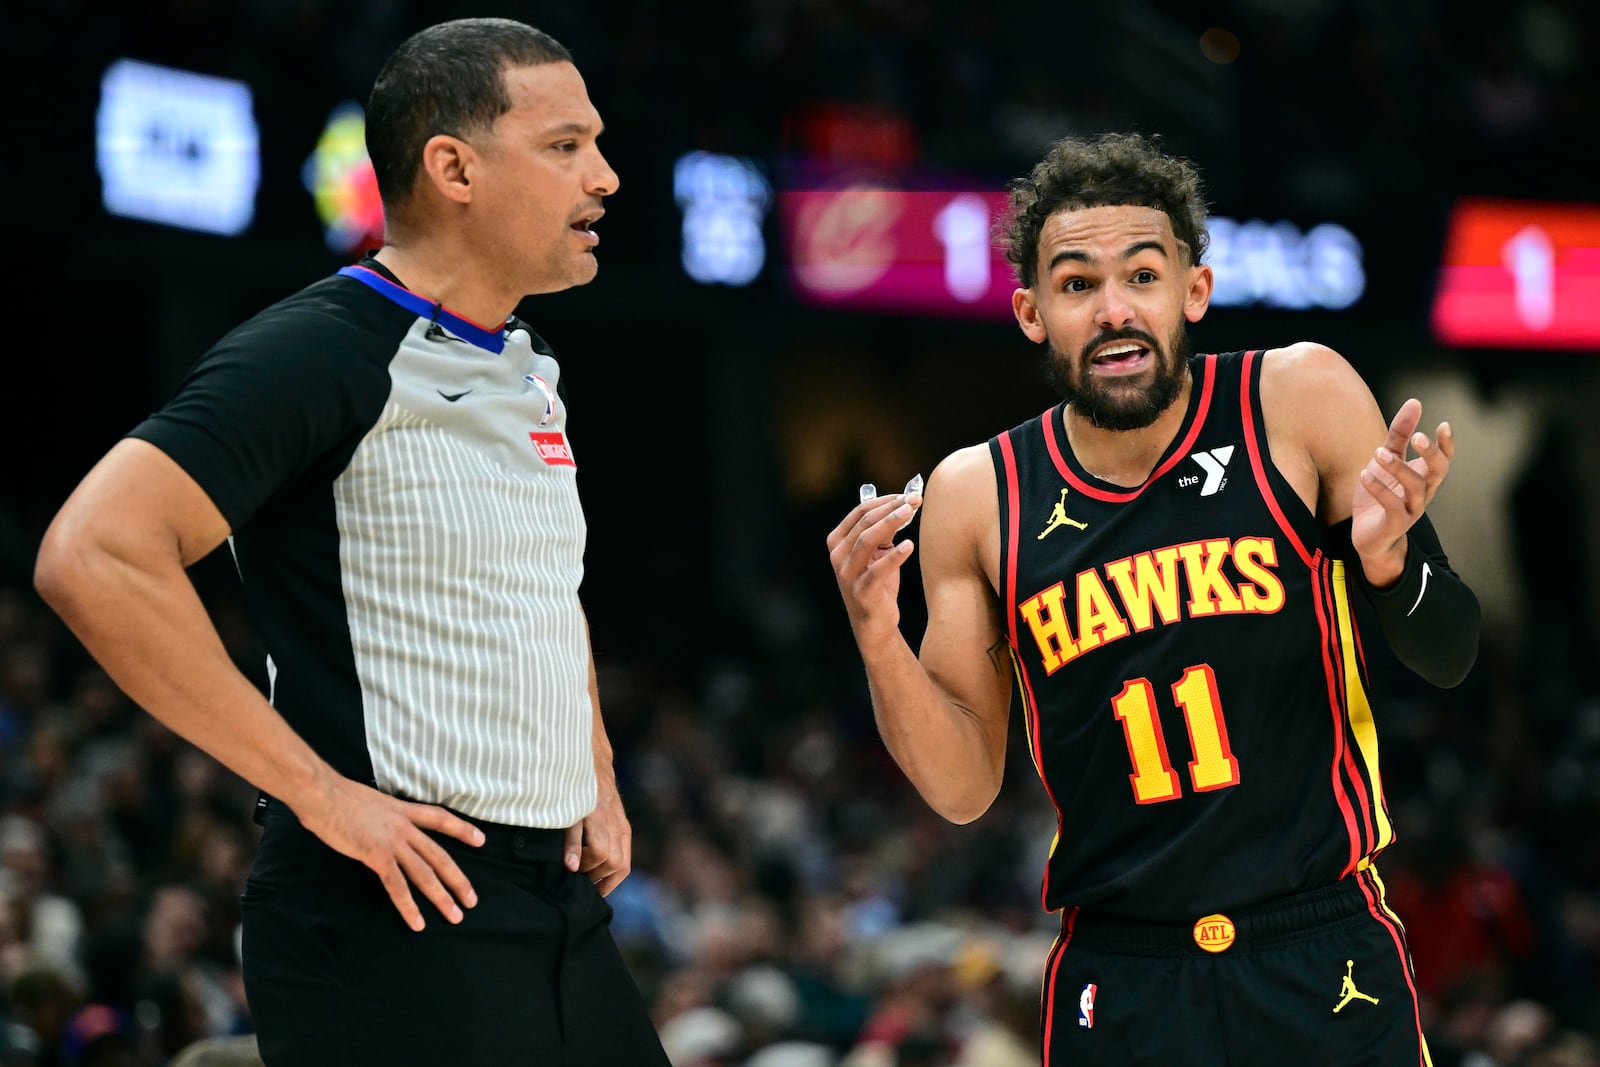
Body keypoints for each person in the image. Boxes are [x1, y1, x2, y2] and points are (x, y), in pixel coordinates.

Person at [33, 17, 670, 1067]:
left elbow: (539, 585)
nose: (602, 177)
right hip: (389, 906)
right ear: (453, 168)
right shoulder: (318, 348)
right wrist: (319, 793)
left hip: (546, 900)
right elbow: (94, 553)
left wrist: (590, 759)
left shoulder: (529, 363)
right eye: (565, 146)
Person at [825, 131, 1480, 1065]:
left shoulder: (1297, 399)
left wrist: (1389, 566)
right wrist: (878, 635)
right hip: (1123, 973)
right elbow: (964, 788)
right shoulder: (979, 493)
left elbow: (1450, 651)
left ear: (1194, 292)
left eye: (1142, 275)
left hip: (1319, 945)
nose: (1114, 309)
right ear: (1031, 312)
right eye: (1078, 284)